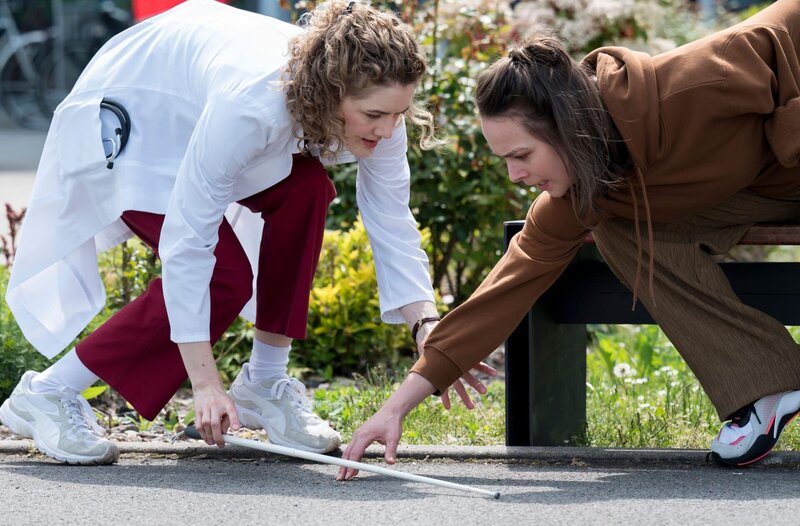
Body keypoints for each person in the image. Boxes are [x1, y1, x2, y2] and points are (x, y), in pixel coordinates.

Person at [336, 0, 800, 478]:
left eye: (521, 155)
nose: (515, 176)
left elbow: (782, 25)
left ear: (568, 129)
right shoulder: (585, 194)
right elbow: (507, 287)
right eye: (504, 161)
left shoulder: (693, 84)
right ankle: (767, 386)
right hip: (762, 191)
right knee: (618, 228)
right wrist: (395, 408)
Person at [0, 0, 451, 465]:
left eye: (399, 114)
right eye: (375, 115)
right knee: (224, 275)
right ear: (330, 93)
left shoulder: (380, 108)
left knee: (307, 190)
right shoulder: (252, 106)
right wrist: (205, 383)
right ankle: (48, 391)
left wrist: (426, 324)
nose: (388, 128)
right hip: (137, 119)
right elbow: (188, 239)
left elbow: (392, 216)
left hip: (197, 103)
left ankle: (264, 383)